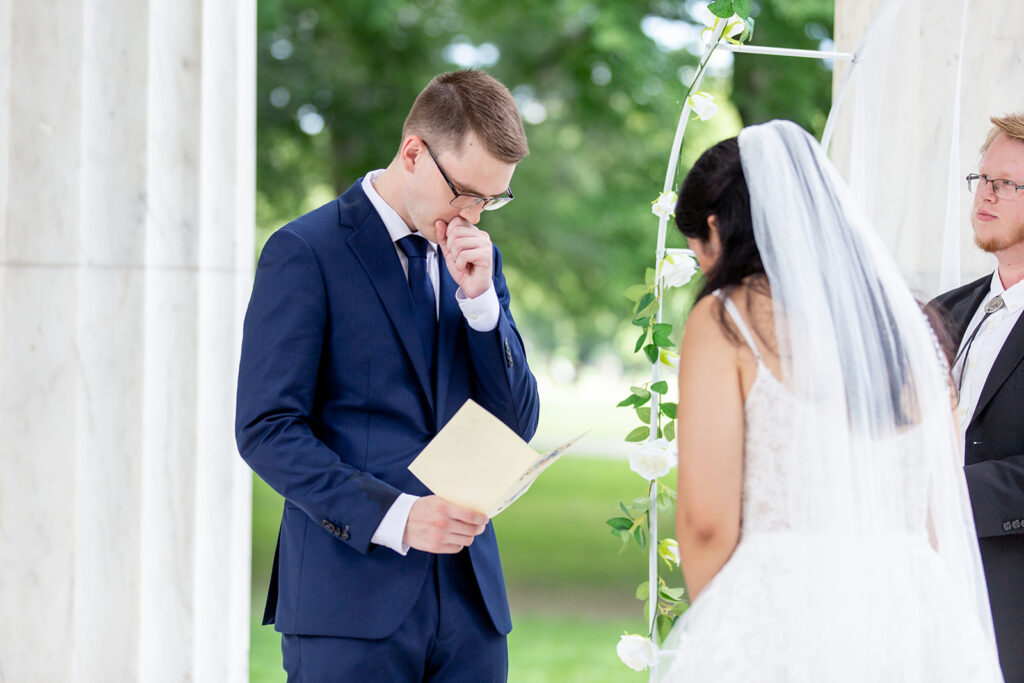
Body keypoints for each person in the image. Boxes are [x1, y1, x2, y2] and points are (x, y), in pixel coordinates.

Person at [658, 120, 1003, 681]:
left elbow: (704, 523)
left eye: (697, 248)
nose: (702, 267)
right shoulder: (912, 326)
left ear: (717, 227)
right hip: (913, 618)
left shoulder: (728, 317)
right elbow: (937, 514)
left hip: (783, 618)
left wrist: (720, 636)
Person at [235, 70, 540, 681]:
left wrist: (483, 308)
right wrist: (397, 516)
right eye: (465, 193)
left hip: (472, 613)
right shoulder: (305, 251)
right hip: (347, 607)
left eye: (492, 199)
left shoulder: (479, 260)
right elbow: (266, 429)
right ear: (413, 153)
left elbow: (515, 425)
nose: (475, 214)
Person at [930, 113, 1024, 683]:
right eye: (981, 179)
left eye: (1007, 184)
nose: (984, 195)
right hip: (931, 601)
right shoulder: (943, 311)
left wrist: (941, 496)